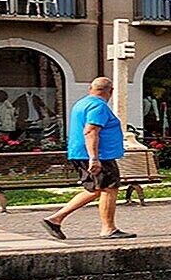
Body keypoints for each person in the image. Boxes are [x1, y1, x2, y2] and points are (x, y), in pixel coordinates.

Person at [45, 75, 128, 240]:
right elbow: (91, 131)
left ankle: (55, 219)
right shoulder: (99, 107)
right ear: (110, 92)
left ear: (90, 89)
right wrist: (94, 158)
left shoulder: (81, 103)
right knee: (109, 188)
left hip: (82, 153)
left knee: (95, 189)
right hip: (98, 155)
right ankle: (108, 229)